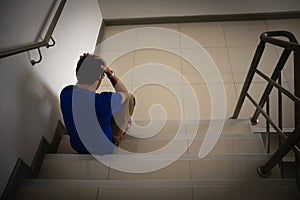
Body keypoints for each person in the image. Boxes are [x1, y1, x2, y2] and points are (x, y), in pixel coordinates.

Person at [60, 53, 135, 154]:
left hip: (78, 147)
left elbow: (79, 87)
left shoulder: (65, 93)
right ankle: (118, 136)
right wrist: (109, 72)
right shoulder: (105, 101)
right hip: (104, 149)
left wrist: (84, 65)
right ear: (100, 78)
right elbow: (124, 92)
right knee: (129, 99)